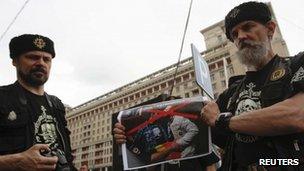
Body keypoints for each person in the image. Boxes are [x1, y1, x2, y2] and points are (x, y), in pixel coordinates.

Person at [202, 1, 304, 170]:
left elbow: (297, 115)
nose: (240, 36)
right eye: (235, 34)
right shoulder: (231, 93)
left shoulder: (297, 65)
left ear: (270, 29)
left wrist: (223, 121)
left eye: (248, 27)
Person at [0, 34, 77, 171]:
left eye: (46, 59)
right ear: (15, 61)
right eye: (32, 57)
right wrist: (16, 162)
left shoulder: (57, 105)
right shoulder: (3, 98)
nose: (41, 63)